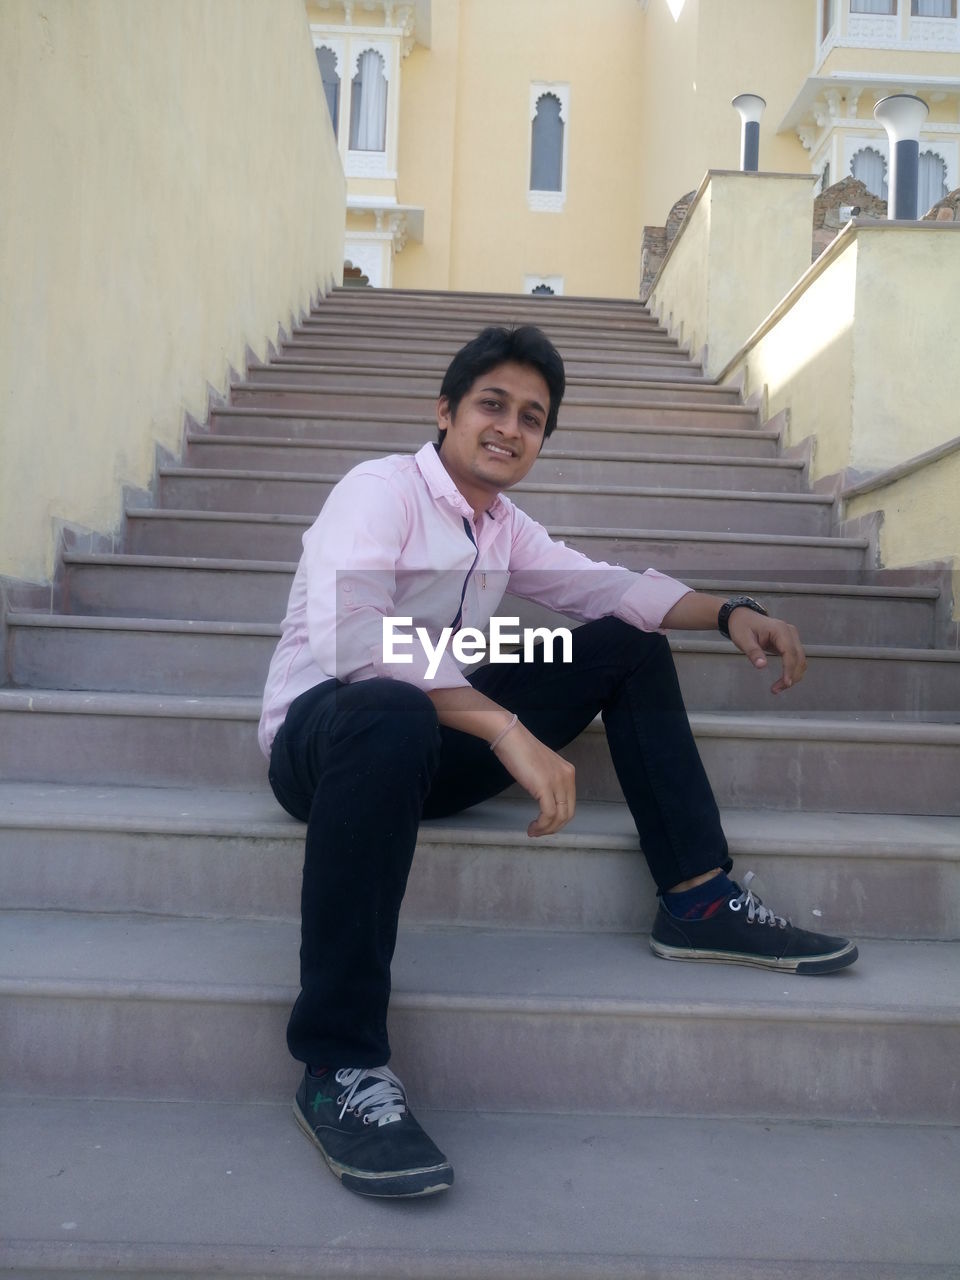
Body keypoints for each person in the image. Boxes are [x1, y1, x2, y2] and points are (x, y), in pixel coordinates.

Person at [259, 324, 858, 1200]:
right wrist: (505, 729)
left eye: (532, 418)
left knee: (627, 643)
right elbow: (354, 639)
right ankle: (340, 1068)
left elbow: (608, 587)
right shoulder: (378, 490)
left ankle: (696, 898)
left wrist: (730, 611)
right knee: (389, 708)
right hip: (329, 742)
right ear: (446, 411)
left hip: (430, 749)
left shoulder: (503, 527)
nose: (510, 427)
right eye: (492, 405)